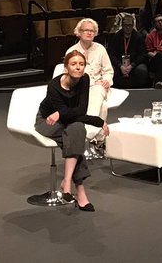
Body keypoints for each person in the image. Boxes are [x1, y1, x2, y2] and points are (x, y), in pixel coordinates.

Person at [35, 48, 108, 211]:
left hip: (69, 121)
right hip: (47, 122)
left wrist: (61, 113)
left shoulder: (84, 79)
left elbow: (80, 111)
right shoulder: (54, 86)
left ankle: (67, 181)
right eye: (74, 64)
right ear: (66, 68)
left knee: (77, 130)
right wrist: (96, 121)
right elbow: (69, 114)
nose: (78, 67)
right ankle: (79, 191)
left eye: (81, 64)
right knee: (76, 137)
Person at [68, 18, 113, 93]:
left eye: (92, 31)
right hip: (79, 88)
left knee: (99, 92)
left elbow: (108, 71)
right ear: (79, 32)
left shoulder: (100, 49)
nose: (89, 33)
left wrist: (106, 81)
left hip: (100, 87)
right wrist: (93, 84)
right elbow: (71, 76)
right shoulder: (71, 51)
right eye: (86, 30)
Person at [106, 13, 150, 89]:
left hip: (134, 64)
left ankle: (141, 90)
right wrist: (120, 66)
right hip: (119, 64)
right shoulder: (116, 37)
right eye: (125, 25)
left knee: (142, 70)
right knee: (111, 70)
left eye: (129, 25)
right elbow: (111, 54)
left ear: (133, 26)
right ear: (122, 26)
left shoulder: (138, 37)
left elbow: (143, 55)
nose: (127, 27)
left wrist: (132, 65)